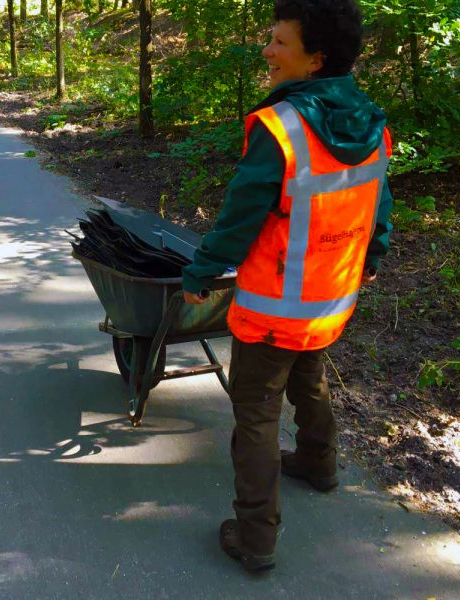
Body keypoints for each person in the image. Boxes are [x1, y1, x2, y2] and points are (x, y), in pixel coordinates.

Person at [181, 0, 394, 573]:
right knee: (311, 378)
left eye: (279, 41)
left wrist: (201, 272)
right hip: (330, 297)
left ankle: (255, 537)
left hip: (273, 305)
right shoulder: (370, 120)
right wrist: (375, 251)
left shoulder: (283, 128)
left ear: (315, 58)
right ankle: (319, 464)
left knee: (255, 413)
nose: (267, 50)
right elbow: (378, 197)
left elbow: (241, 214)